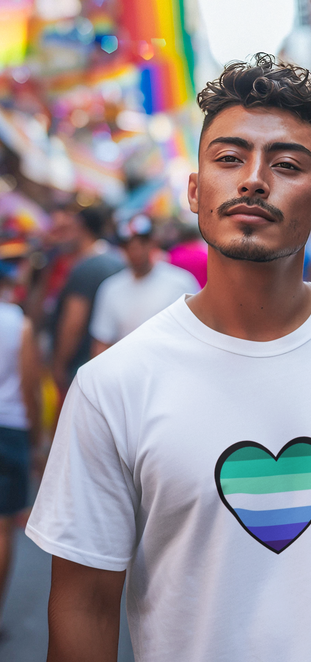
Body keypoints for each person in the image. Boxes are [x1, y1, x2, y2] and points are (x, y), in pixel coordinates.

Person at [27, 54, 311, 662]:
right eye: (228, 158)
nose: (253, 179)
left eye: (287, 165)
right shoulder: (114, 383)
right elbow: (85, 599)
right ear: (195, 191)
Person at [0, 244, 40, 631]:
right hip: (9, 430)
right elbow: (29, 387)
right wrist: (37, 439)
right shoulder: (19, 324)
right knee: (2, 525)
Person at [90, 214, 199, 355]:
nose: (135, 251)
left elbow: (195, 333)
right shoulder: (111, 288)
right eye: (128, 245)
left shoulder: (181, 283)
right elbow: (102, 342)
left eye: (142, 243)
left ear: (153, 243)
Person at [52, 206, 124, 395]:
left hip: (80, 367)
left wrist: (59, 364)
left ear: (81, 228)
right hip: (106, 367)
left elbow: (73, 324)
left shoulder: (86, 267)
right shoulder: (117, 259)